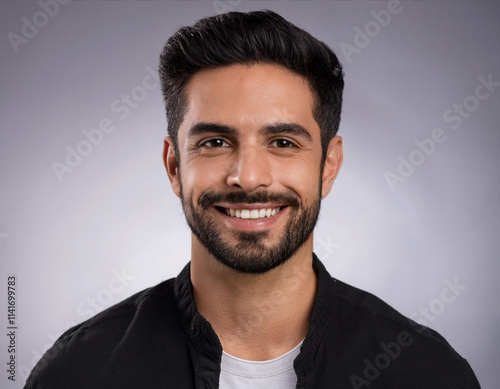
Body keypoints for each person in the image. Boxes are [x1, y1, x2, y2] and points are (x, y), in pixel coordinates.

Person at [25, 10, 480, 389]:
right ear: (174, 166)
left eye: (282, 142)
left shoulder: (427, 372)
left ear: (328, 165)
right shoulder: (77, 373)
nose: (247, 177)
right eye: (215, 142)